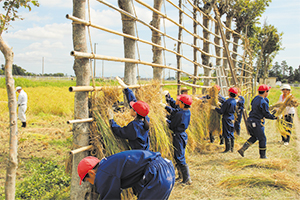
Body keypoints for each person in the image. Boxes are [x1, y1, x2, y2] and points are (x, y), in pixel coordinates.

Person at [77, 150, 175, 200]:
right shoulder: (108, 164)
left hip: (157, 174)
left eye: (87, 180)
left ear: (91, 173)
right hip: (165, 168)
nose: (91, 183)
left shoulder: (103, 174)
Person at [108, 77, 150, 150]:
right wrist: (126, 89)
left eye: (131, 108)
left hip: (138, 155)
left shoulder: (134, 127)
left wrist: (111, 120)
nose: (130, 109)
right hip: (145, 151)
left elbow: (120, 132)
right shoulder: (146, 118)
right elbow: (135, 102)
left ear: (135, 112)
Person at [237, 84, 277, 159]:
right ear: (265, 92)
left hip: (249, 121)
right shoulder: (263, 102)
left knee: (255, 136)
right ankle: (263, 156)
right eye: (268, 91)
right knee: (262, 138)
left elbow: (259, 110)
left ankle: (242, 149)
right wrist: (274, 117)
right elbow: (266, 113)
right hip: (256, 122)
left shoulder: (255, 98)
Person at [162, 94, 192, 184]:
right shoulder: (187, 112)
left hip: (178, 136)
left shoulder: (179, 114)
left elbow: (172, 125)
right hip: (182, 135)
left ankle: (187, 179)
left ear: (182, 104)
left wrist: (166, 120)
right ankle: (181, 176)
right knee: (178, 155)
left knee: (179, 157)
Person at [213, 87, 238, 153]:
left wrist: (215, 108)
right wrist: (221, 104)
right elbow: (226, 107)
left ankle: (227, 149)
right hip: (232, 117)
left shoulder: (227, 101)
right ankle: (232, 148)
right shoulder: (234, 101)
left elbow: (221, 111)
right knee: (231, 132)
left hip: (226, 118)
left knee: (226, 133)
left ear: (229, 93)